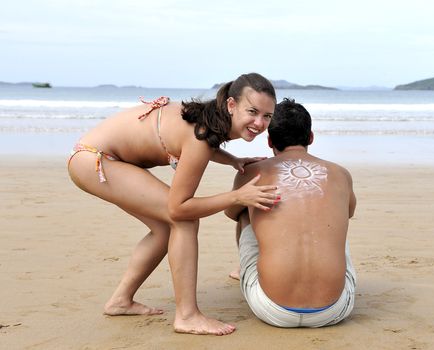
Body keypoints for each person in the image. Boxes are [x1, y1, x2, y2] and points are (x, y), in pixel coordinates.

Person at [67, 73, 279, 336]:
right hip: (97, 160)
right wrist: (237, 196)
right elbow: (180, 207)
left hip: (95, 157)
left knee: (165, 228)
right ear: (231, 106)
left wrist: (232, 160)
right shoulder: (201, 134)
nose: (259, 123)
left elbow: (198, 143)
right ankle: (187, 316)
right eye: (252, 111)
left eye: (267, 116)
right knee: (184, 220)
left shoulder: (209, 122)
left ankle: (120, 301)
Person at [224, 98, 357, 328]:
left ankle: (245, 268)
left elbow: (230, 212)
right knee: (333, 219)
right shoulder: (340, 173)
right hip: (334, 309)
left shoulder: (252, 172)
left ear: (269, 141)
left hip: (272, 308)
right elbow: (349, 212)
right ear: (311, 137)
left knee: (245, 210)